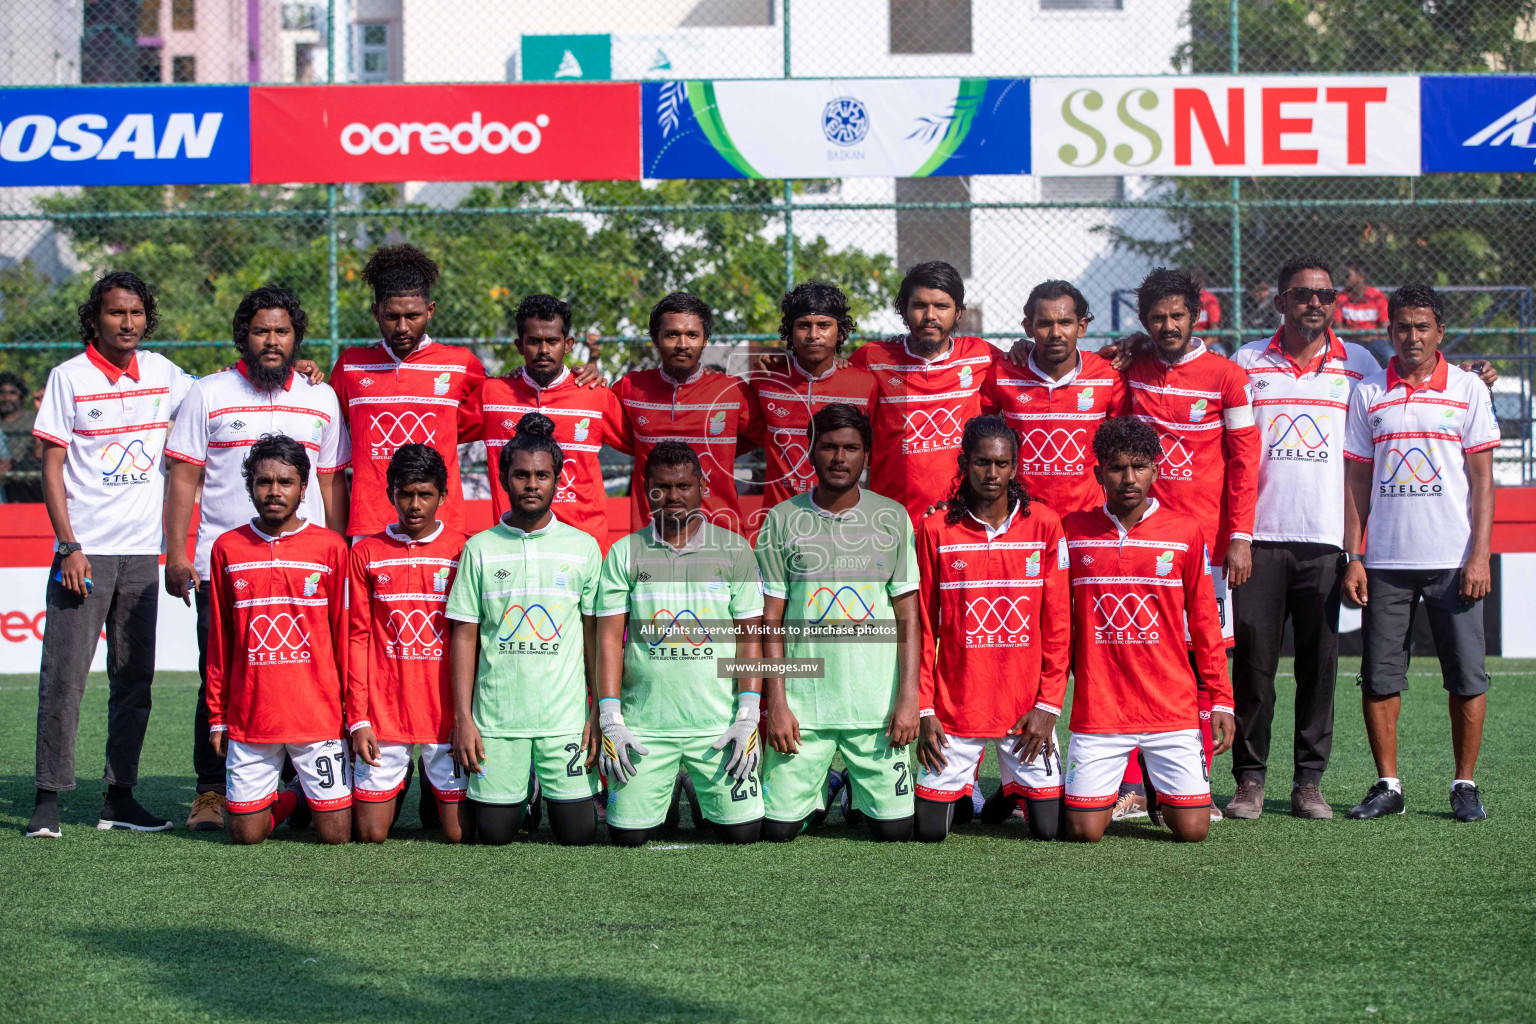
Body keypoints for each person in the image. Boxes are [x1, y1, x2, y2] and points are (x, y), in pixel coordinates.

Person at [165, 285, 351, 830]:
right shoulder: (208, 392)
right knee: (217, 675)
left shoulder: (321, 397)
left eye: (282, 331)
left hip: (308, 569)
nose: (272, 341)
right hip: (224, 566)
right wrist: (176, 554)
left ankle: (297, 785)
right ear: (243, 336)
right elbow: (183, 477)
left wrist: (335, 552)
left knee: (312, 671)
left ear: (297, 338)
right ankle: (210, 791)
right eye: (261, 331)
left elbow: (333, 480)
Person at [25, 272, 195, 839]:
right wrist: (69, 546)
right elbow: (50, 468)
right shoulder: (67, 378)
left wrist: (300, 374)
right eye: (116, 313)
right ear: (94, 319)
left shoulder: (165, 373)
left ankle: (119, 799)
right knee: (64, 679)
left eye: (137, 313)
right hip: (85, 553)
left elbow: (219, 395)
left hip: (142, 556)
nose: (128, 323)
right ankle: (48, 799)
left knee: (134, 682)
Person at [1226, 256, 1380, 820]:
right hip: (1258, 541)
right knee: (1254, 667)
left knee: (1320, 666)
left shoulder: (1360, 364)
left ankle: (1309, 782)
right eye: (1303, 295)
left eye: (1324, 295)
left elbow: (1410, 384)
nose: (1315, 304)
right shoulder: (1246, 362)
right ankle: (1249, 780)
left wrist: (1476, 374)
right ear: (1281, 303)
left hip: (1328, 544)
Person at [1342, 284, 1498, 824]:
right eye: (1403, 327)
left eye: (1422, 327)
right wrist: (1353, 556)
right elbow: (1357, 480)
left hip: (1454, 562)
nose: (1412, 336)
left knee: (1467, 677)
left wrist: (1480, 556)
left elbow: (1483, 481)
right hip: (1384, 563)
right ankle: (1389, 785)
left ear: (1440, 332)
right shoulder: (1367, 394)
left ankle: (1465, 783)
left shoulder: (1468, 389)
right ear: (1389, 333)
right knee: (1380, 677)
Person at [1115, 266, 1259, 822]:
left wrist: (1240, 537)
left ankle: (1191, 782)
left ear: (1195, 316)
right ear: (1143, 320)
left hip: (1206, 549)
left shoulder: (1227, 377)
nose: (1167, 325)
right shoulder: (1133, 366)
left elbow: (1246, 462)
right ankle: (1130, 786)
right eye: (1156, 317)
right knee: (1127, 651)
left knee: (1203, 660)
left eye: (1177, 315)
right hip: (1141, 539)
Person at [1061, 417, 1236, 843]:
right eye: (1117, 468)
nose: (1129, 478)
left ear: (1156, 470)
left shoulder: (1184, 532)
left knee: (1193, 831)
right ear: (1099, 471)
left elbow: (1205, 623)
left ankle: (1163, 793)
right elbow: (1056, 623)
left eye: (1140, 467)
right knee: (1085, 831)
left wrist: (1222, 700)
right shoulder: (1073, 532)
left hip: (1169, 709)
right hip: (1101, 709)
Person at [755, 405, 919, 843]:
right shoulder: (781, 519)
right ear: (810, 451)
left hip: (875, 710)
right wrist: (778, 704)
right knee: (775, 830)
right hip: (805, 710)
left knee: (897, 830)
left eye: (850, 447)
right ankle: (825, 786)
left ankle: (854, 793)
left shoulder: (892, 517)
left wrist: (908, 699)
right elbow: (770, 618)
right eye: (828, 446)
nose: (839, 457)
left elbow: (908, 614)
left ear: (867, 454)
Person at [596, 440, 766, 845]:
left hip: (717, 725)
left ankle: (692, 783)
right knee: (628, 837)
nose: (672, 496)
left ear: (702, 487)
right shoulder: (624, 552)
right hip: (644, 729)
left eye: (683, 486)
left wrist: (747, 715)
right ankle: (668, 787)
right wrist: (610, 718)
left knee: (744, 833)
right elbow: (608, 642)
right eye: (661, 487)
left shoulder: (734, 550)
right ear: (645, 488)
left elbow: (749, 641)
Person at [445, 415, 604, 845]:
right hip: (497, 720)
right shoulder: (479, 548)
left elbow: (593, 636)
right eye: (520, 475)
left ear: (557, 479)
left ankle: (537, 788)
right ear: (503, 478)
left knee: (579, 835)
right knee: (494, 835)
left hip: (565, 720)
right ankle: (524, 793)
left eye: (541, 475)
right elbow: (463, 637)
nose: (531, 484)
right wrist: (464, 718)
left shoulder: (583, 547)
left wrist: (597, 710)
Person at [913, 415, 1070, 842]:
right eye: (982, 462)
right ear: (964, 463)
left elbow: (1058, 625)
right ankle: (964, 789)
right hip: (955, 711)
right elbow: (924, 629)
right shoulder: (933, 529)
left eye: (1002, 464)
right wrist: (925, 710)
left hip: (1024, 717)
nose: (992, 473)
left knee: (1049, 830)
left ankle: (1008, 789)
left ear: (1016, 467)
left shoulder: (1045, 525)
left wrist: (1049, 708)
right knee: (930, 833)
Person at [205, 434, 352, 845]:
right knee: (246, 834)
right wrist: (218, 715)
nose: (274, 492)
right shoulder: (227, 548)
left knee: (338, 836)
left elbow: (346, 637)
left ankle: (309, 794)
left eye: (285, 482)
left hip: (317, 714)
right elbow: (221, 642)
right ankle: (293, 796)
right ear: (250, 486)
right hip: (253, 716)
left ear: (304, 488)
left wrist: (351, 712)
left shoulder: (330, 547)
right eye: (263, 482)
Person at [348, 444, 471, 843]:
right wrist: (359, 719)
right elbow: (357, 636)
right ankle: (400, 780)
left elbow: (473, 638)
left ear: (442, 496)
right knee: (370, 834)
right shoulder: (365, 552)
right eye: (405, 494)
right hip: (386, 715)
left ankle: (432, 788)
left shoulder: (463, 549)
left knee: (458, 835)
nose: (415, 505)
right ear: (390, 494)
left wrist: (468, 718)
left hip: (445, 717)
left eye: (425, 494)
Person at [328, 245, 487, 538]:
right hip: (371, 525)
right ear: (376, 312)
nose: (402, 327)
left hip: (443, 525)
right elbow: (320, 421)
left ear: (430, 311)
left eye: (412, 315)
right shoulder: (351, 365)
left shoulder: (460, 363)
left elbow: (499, 403)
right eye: (391, 316)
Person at [464, 294, 629, 549]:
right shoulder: (492, 395)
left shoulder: (595, 395)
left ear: (568, 344)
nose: (543, 350)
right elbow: (437, 428)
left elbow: (645, 440)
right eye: (534, 342)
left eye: (552, 341)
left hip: (584, 550)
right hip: (515, 546)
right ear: (520, 346)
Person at [850, 261, 993, 522]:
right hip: (891, 522)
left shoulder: (981, 355)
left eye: (941, 306)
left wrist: (1020, 348)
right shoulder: (872, 359)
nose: (930, 315)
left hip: (962, 522)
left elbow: (1029, 371)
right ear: (903, 310)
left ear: (958, 312)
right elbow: (828, 383)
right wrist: (783, 363)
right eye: (919, 306)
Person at [613, 293, 762, 535]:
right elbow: (615, 434)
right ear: (655, 339)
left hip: (720, 536)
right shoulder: (630, 388)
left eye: (692, 335)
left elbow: (772, 436)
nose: (683, 344)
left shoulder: (732, 392)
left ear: (705, 341)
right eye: (672, 334)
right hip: (651, 538)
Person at [744, 282, 879, 525]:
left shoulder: (865, 384)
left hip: (843, 522)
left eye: (824, 325)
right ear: (790, 331)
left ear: (840, 333)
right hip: (780, 523)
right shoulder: (766, 379)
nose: (813, 335)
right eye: (803, 325)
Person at [986, 280, 1123, 516]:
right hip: (1023, 520)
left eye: (1065, 323)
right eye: (1045, 324)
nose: (1056, 333)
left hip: (1088, 524)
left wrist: (1139, 344)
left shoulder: (1108, 375)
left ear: (1081, 327)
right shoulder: (1002, 373)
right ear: (1028, 327)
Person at [1333, 263, 1392, 365]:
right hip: (1351, 341)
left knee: (1390, 355)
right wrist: (1360, 335)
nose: (1344, 279)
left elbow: (1385, 328)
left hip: (1374, 341)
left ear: (1361, 277)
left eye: (1348, 275)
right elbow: (1338, 328)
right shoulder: (1342, 298)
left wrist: (1371, 336)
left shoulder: (1377, 297)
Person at [0, 370, 32, 502]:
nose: (6, 397)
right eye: (2, 393)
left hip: (29, 480)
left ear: (21, 396)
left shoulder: (32, 419)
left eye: (12, 393)